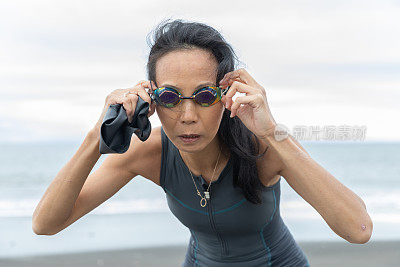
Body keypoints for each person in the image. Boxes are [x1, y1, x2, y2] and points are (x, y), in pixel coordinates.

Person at [32, 18, 372, 266]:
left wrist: (270, 132)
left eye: (205, 95)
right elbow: (45, 224)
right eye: (170, 97)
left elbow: (358, 230)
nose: (188, 115)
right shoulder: (149, 152)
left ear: (227, 95)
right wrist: (99, 133)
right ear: (152, 100)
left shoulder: (264, 147)